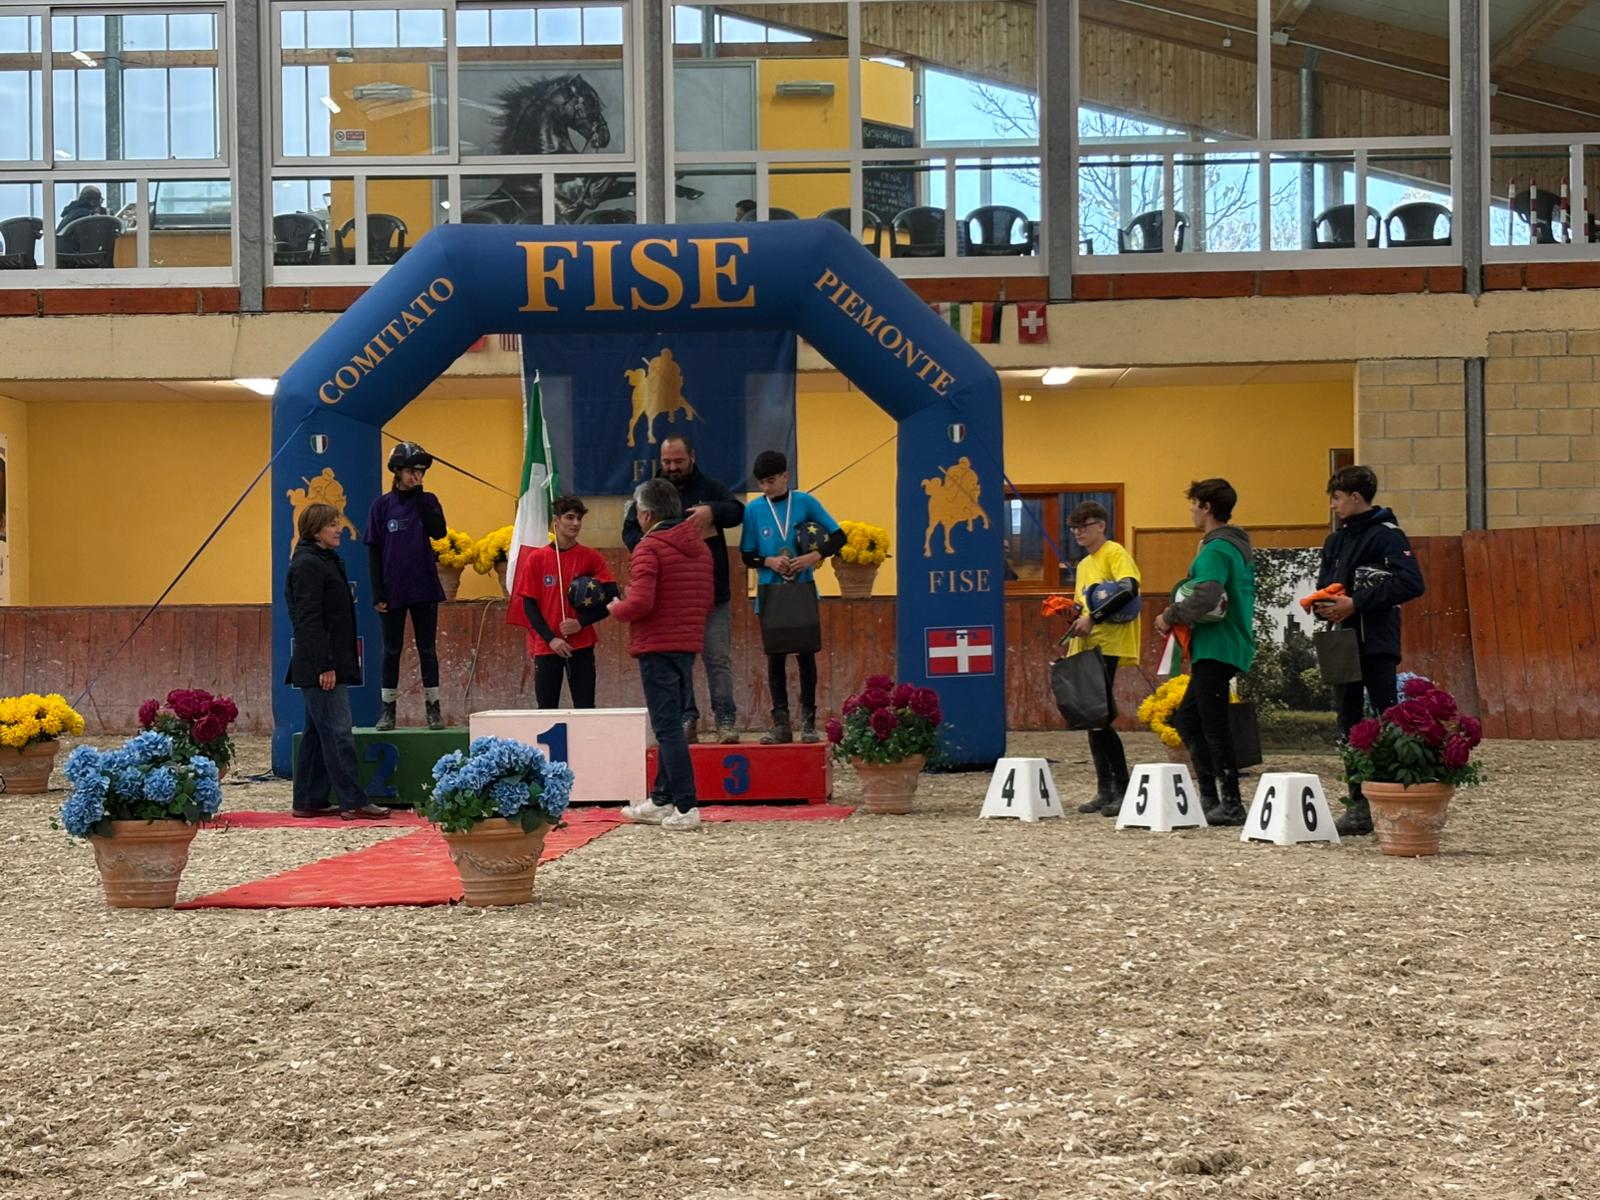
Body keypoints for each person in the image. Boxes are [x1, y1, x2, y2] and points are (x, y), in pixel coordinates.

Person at [1314, 464, 1426, 836]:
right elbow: (1327, 584)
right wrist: (1322, 603)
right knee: (1347, 722)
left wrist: (1357, 603)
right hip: (1340, 642)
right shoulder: (1335, 541)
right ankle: (1358, 805)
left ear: (1355, 497)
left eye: (1336, 498)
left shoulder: (1388, 535)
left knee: (1386, 716)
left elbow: (1411, 583)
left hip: (1376, 642)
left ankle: (1396, 797)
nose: (1333, 506)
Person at [608, 478, 715, 832]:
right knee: (673, 724)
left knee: (666, 727)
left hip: (656, 644)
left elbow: (640, 603)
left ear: (646, 515)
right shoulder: (700, 547)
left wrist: (617, 607)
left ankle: (685, 805)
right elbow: (706, 598)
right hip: (687, 643)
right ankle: (660, 800)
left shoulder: (648, 547)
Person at [622, 434, 744, 743]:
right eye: (667, 462)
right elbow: (630, 532)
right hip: (671, 598)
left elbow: (737, 512)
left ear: (692, 457)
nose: (673, 467)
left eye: (678, 461)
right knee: (681, 662)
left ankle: (725, 719)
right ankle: (687, 718)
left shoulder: (711, 488)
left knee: (718, 659)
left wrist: (712, 511)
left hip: (712, 593)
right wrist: (657, 543)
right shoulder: (649, 492)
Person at [1154, 479, 1256, 826]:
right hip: (1223, 645)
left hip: (1216, 645)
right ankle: (1210, 797)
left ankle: (1231, 802)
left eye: (1194, 504)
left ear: (1207, 507)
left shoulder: (1215, 550)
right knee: (1187, 720)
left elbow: (1208, 594)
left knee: (1213, 724)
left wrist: (1170, 615)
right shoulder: (1235, 546)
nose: (1191, 510)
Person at [285, 502, 391, 821]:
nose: (339, 528)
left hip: (326, 662)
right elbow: (308, 620)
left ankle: (309, 799)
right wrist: (325, 665)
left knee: (316, 734)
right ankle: (353, 801)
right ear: (316, 530)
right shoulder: (308, 564)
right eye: (332, 524)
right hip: (320, 666)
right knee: (338, 733)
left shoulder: (324, 560)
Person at [739, 449, 845, 744]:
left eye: (771, 481)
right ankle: (781, 723)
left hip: (801, 588)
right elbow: (747, 554)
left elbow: (839, 536)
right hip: (770, 592)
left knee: (805, 654)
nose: (766, 487)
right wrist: (769, 561)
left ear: (786, 476)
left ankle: (809, 722)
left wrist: (812, 557)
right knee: (775, 656)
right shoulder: (754, 509)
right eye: (761, 482)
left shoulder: (805, 502)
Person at [1062, 502, 1142, 816]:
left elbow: (1129, 589)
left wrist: (1094, 618)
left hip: (1107, 644)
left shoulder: (1114, 552)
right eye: (1074, 528)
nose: (1078, 532)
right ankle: (1104, 789)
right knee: (1092, 718)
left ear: (1101, 526)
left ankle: (1122, 788)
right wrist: (1069, 611)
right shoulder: (1084, 565)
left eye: (1084, 526)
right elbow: (1083, 606)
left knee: (1101, 717)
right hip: (1087, 645)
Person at [365, 441, 447, 731]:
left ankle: (433, 709)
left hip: (424, 588)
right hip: (393, 590)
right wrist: (377, 592)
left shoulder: (429, 500)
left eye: (421, 472)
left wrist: (420, 498)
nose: (417, 476)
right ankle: (388, 710)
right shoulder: (381, 506)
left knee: (427, 649)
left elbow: (439, 532)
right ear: (398, 471)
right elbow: (374, 550)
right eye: (412, 471)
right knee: (391, 650)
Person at [509, 495, 618, 709]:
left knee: (585, 708)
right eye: (569, 517)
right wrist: (551, 639)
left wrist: (581, 623)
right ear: (556, 520)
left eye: (579, 518)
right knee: (546, 708)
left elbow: (613, 598)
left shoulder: (591, 557)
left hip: (581, 644)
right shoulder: (537, 559)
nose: (575, 523)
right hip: (547, 646)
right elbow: (529, 606)